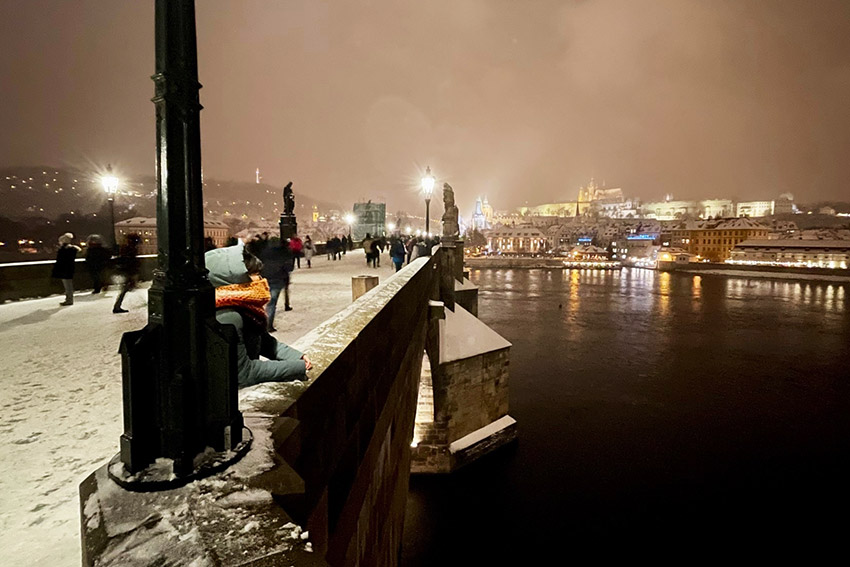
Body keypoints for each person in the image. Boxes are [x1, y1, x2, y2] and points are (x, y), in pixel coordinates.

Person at [205, 240, 311, 387]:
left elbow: (263, 342)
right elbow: (244, 373)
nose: (261, 279)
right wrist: (298, 367)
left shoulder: (242, 306)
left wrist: (297, 357)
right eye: (254, 274)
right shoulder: (228, 316)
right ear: (234, 280)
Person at [258, 237, 294, 331]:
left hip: (265, 278)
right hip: (278, 278)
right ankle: (268, 325)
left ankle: (262, 321)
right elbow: (289, 267)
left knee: (266, 301)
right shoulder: (283, 252)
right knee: (272, 303)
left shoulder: (264, 252)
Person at [112, 233, 141, 314]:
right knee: (126, 289)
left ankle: (117, 306)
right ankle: (117, 306)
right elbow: (130, 261)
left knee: (126, 289)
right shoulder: (130, 249)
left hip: (127, 270)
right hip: (129, 271)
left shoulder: (125, 248)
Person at [52, 233, 80, 306]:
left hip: (64, 269)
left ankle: (69, 300)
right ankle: (69, 299)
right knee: (68, 285)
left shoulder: (63, 250)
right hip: (69, 268)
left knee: (68, 286)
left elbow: (60, 260)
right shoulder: (72, 249)